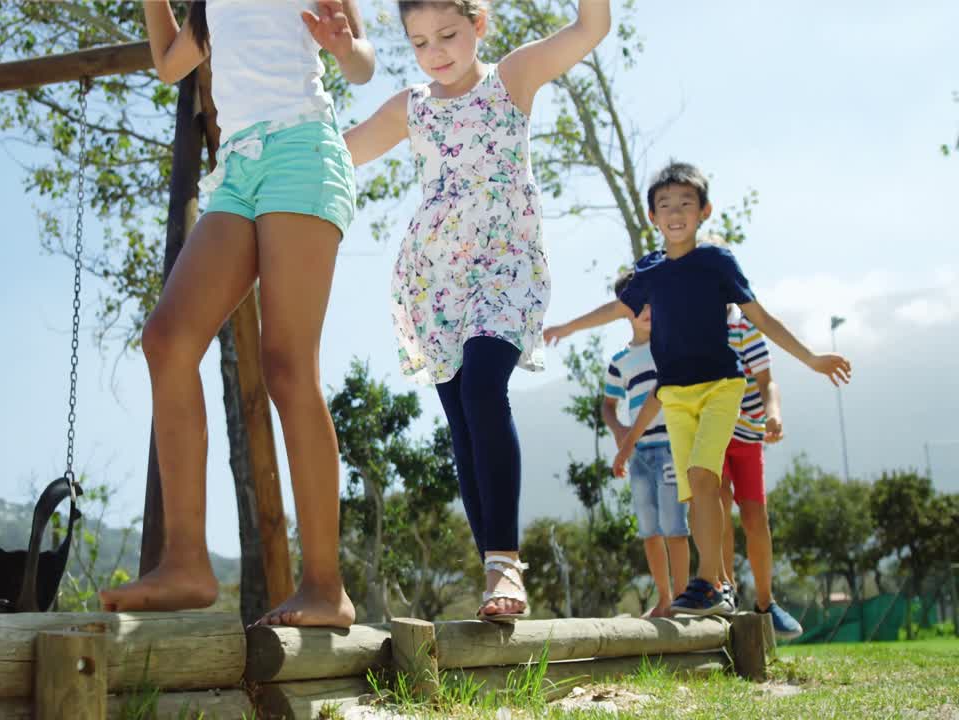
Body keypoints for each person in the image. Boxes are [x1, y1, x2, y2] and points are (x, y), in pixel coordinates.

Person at [99, 0, 375, 628]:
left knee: (286, 367)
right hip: (238, 170)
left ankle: (325, 587)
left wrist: (342, 46)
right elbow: (171, 65)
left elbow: (363, 65)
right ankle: (186, 564)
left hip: (302, 151)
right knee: (167, 340)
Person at [343, 0, 611, 622]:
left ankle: (505, 561)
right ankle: (493, 570)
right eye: (418, 42)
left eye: (447, 34)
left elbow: (591, 28)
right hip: (434, 281)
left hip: (506, 266)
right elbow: (339, 150)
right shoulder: (411, 107)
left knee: (485, 387)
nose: (434, 52)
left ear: (478, 25)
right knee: (462, 419)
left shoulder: (512, 78)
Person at [544, 161, 852, 616]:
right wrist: (566, 328)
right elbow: (617, 308)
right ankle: (716, 582)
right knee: (695, 490)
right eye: (665, 205)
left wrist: (811, 359)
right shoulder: (650, 271)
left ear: (704, 211)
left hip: (719, 388)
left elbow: (760, 316)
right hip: (675, 395)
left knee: (706, 478)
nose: (675, 212)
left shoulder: (716, 262)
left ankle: (709, 582)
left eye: (686, 203)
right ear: (652, 217)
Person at [602, 271, 689, 619]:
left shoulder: (670, 347)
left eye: (651, 302)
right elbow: (608, 406)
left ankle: (683, 598)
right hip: (638, 455)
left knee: (674, 525)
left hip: (671, 448)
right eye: (637, 304)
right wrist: (619, 431)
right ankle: (664, 598)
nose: (646, 310)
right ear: (624, 310)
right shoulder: (619, 362)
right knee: (649, 529)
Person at [719, 303, 804, 637]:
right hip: (711, 432)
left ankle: (766, 602)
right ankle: (724, 592)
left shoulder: (744, 327)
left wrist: (774, 415)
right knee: (717, 505)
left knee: (755, 516)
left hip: (748, 435)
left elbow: (768, 382)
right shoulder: (694, 321)